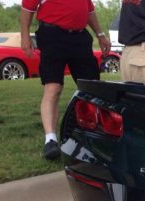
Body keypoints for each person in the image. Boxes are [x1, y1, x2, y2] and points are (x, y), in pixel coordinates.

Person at [20, 0, 111, 160]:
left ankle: (91, 135)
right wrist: (25, 37)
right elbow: (27, 9)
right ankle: (51, 140)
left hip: (80, 37)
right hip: (52, 35)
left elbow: (89, 10)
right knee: (53, 87)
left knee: (91, 88)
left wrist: (100, 34)